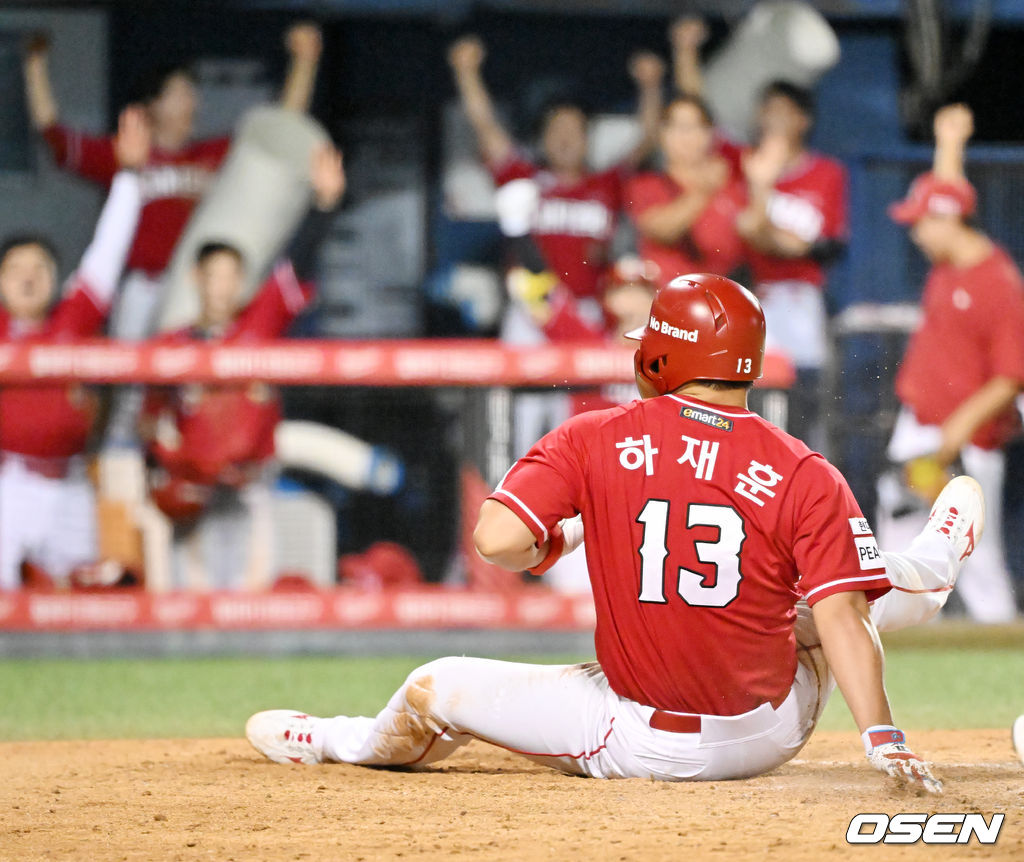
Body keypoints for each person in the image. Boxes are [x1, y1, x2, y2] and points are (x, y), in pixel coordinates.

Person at [246, 273, 981, 793]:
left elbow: (497, 542)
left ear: (662, 356)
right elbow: (844, 619)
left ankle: (335, 742)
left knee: (430, 685)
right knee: (837, 597)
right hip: (773, 731)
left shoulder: (599, 435)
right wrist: (883, 740)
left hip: (644, 740)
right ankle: (936, 558)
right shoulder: (800, 466)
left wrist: (555, 541)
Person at [23, 22, 323, 338]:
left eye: (193, 94)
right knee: (133, 379)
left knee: (193, 376)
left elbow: (281, 128)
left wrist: (305, 63)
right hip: (142, 286)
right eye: (181, 93)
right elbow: (53, 134)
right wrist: (34, 65)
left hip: (195, 288)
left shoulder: (213, 153)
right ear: (153, 104)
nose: (193, 102)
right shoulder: (126, 151)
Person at [140, 144, 345, 590]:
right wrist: (164, 469)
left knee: (251, 597)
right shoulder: (170, 345)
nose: (224, 285)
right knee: (193, 599)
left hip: (252, 486)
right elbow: (149, 420)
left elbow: (298, 263)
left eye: (234, 275)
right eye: (215, 274)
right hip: (197, 492)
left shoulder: (259, 321)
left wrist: (323, 206)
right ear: (197, 278)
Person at [448, 35, 664, 456]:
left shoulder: (605, 183)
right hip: (531, 310)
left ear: (588, 138)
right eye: (556, 130)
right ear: (543, 138)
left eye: (574, 130)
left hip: (585, 313)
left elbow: (648, 138)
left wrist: (651, 86)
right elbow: (487, 130)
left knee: (575, 414)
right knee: (515, 414)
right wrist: (466, 72)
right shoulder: (525, 178)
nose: (565, 138)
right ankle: (508, 491)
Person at [881, 103, 1023, 623]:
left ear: (947, 220)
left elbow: (1012, 377)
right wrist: (949, 145)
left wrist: (948, 444)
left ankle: (1010, 678)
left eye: (922, 221)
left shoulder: (998, 284)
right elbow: (948, 195)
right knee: (896, 553)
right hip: (919, 427)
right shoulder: (950, 258)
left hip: (963, 443)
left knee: (977, 564)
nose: (915, 231)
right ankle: (901, 656)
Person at [0, 109, 148, 590]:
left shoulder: (72, 318)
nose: (28, 276)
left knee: (85, 611)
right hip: (6, 485)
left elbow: (108, 252)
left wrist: (128, 177)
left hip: (68, 484)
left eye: (39, 267)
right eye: (15, 268)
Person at [733, 82, 848, 448]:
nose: (775, 120)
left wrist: (769, 230)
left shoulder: (826, 172)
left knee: (807, 408)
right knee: (752, 407)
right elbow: (748, 231)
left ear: (803, 120)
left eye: (785, 111)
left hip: (803, 300)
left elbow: (814, 245)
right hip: (754, 298)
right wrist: (761, 188)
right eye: (769, 110)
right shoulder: (745, 165)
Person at [625, 93, 745, 287]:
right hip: (668, 296)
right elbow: (661, 230)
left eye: (695, 127)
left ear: (710, 134)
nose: (687, 136)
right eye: (678, 127)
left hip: (722, 298)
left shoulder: (732, 185)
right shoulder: (646, 184)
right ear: (662, 134)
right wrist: (703, 190)